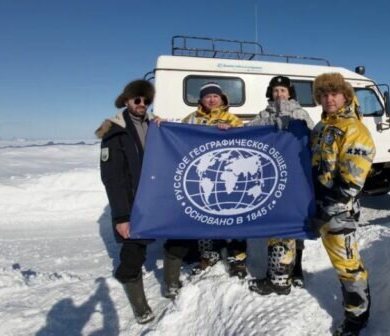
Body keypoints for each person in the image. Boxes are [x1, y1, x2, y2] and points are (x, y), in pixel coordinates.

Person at [96, 79, 191, 324]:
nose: (142, 104)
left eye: (146, 100)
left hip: (162, 199)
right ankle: (139, 304)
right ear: (126, 101)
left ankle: (171, 282)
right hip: (133, 202)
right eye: (137, 99)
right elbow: (113, 179)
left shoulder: (156, 126)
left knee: (180, 236)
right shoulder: (114, 132)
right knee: (133, 253)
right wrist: (121, 217)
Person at [310, 73, 375, 336]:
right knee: (340, 262)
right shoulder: (321, 127)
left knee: (348, 264)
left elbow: (352, 182)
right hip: (320, 206)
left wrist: (328, 208)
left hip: (339, 211)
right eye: (323, 95)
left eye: (334, 94)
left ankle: (357, 318)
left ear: (346, 96)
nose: (328, 99)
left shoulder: (353, 129)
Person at [246, 76, 315, 296]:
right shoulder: (263, 115)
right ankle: (277, 271)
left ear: (290, 93)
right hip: (272, 178)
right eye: (275, 91)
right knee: (276, 223)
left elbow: (312, 138)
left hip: (296, 178)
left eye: (283, 90)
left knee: (297, 222)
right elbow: (245, 134)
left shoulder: (301, 114)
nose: (279, 94)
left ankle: (297, 270)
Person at [181, 82, 247, 278]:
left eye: (215, 96)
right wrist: (160, 123)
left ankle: (237, 254)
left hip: (227, 175)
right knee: (204, 214)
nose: (211, 99)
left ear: (221, 98)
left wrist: (232, 130)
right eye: (207, 96)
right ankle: (208, 253)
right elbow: (176, 135)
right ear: (201, 100)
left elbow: (245, 141)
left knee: (234, 213)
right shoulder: (191, 119)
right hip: (203, 176)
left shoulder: (231, 118)